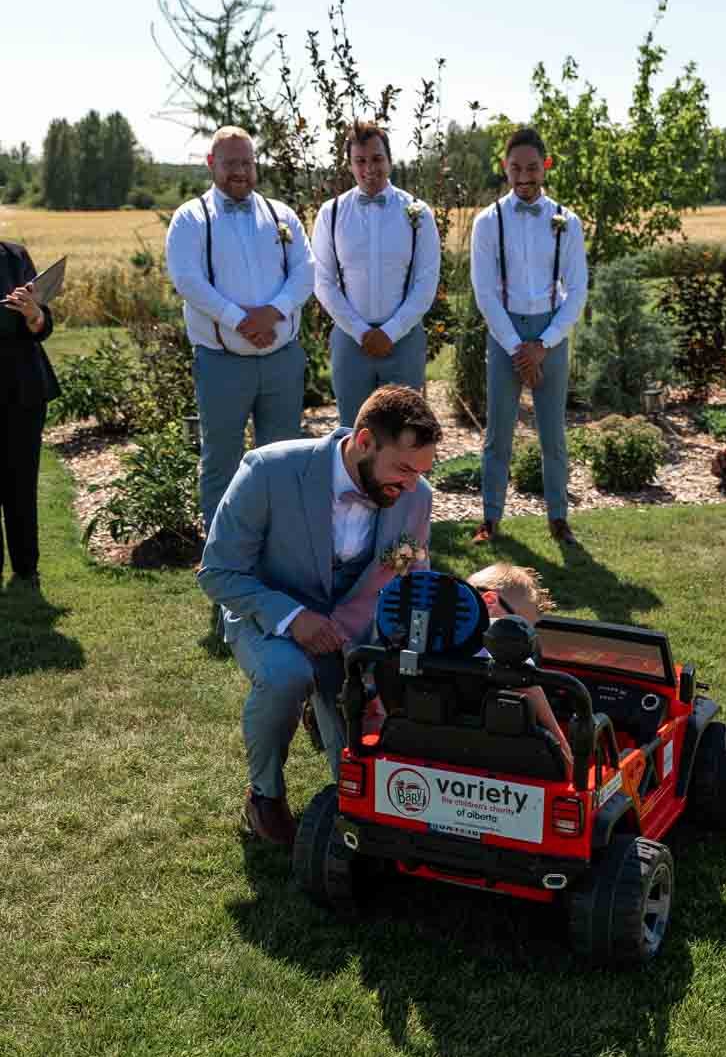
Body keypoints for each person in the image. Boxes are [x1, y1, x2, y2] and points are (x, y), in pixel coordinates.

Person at [197, 384, 441, 849]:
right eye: (404, 468)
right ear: (364, 441)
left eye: (422, 472)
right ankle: (264, 796)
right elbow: (219, 571)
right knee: (288, 675)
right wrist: (293, 618)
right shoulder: (269, 470)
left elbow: (412, 579)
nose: (412, 484)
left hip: (354, 634)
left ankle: (330, 714)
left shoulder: (415, 495)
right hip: (270, 618)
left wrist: (402, 655)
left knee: (357, 787)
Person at [165, 126, 316, 535]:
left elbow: (306, 271)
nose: (240, 171)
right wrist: (240, 320)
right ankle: (223, 556)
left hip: (282, 361)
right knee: (221, 460)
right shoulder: (191, 218)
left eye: (247, 162)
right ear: (212, 164)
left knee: (284, 458)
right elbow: (188, 280)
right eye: (231, 163)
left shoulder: (281, 215)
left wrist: (274, 313)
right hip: (221, 363)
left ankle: (279, 549)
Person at [470, 126, 588, 547]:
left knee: (553, 433)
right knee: (498, 432)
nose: (524, 177)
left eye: (532, 168)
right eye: (516, 168)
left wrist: (545, 344)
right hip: (505, 334)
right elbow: (484, 293)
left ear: (545, 167)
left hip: (550, 333)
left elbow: (577, 290)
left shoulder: (567, 222)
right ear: (505, 168)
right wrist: (517, 349)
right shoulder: (487, 222)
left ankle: (558, 518)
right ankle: (491, 518)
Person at [312, 120, 441, 430]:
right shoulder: (330, 214)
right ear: (350, 165)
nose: (369, 168)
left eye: (377, 159)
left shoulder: (417, 213)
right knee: (353, 435)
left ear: (390, 160)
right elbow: (323, 282)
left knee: (406, 435)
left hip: (404, 340)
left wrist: (390, 332)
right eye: (361, 161)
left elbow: (426, 281)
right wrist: (361, 332)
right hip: (349, 340)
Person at [467, 562, 573, 772]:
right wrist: (565, 754)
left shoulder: (430, 634)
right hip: (496, 755)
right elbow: (529, 688)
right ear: (489, 601)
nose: (524, 640)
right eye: (522, 627)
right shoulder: (500, 641)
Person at [0, 242, 60, 588]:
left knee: (22, 482)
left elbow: (43, 325)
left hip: (24, 388)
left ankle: (26, 567)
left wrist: (34, 315)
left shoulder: (14, 256)